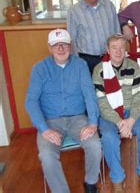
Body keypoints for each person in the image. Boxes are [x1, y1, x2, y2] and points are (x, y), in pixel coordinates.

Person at [25, 29, 102, 193]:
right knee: (46, 155)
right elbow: (31, 101)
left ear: (70, 45)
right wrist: (44, 129)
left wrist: (93, 123)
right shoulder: (39, 69)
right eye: (56, 45)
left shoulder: (80, 65)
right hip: (50, 121)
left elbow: (90, 95)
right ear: (49, 48)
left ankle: (90, 183)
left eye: (64, 44)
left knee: (95, 144)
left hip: (77, 118)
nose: (61, 48)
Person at [92, 34, 140, 192]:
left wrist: (131, 120)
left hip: (132, 110)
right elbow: (101, 103)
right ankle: (117, 178)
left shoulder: (133, 66)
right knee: (108, 137)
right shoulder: (99, 70)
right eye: (114, 47)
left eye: (121, 47)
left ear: (126, 48)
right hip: (110, 114)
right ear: (107, 49)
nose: (118, 51)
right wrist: (120, 122)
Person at [67, 0, 121, 73]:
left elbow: (117, 31)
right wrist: (76, 62)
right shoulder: (74, 11)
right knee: (91, 87)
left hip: (110, 56)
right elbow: (71, 39)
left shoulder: (109, 5)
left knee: (111, 86)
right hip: (87, 60)